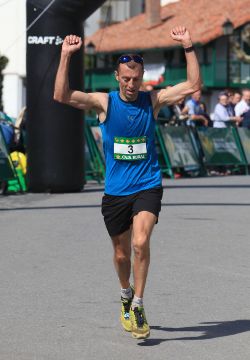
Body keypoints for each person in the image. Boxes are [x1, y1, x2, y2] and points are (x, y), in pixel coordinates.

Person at [54, 26, 201, 339]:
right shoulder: (104, 103)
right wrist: (65, 55)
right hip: (116, 192)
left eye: (136, 79)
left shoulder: (153, 100)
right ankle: (124, 292)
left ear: (143, 76)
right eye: (126, 79)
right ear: (117, 77)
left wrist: (188, 46)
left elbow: (192, 85)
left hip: (147, 184)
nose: (131, 84)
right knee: (121, 254)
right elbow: (61, 95)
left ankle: (138, 303)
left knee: (140, 242)